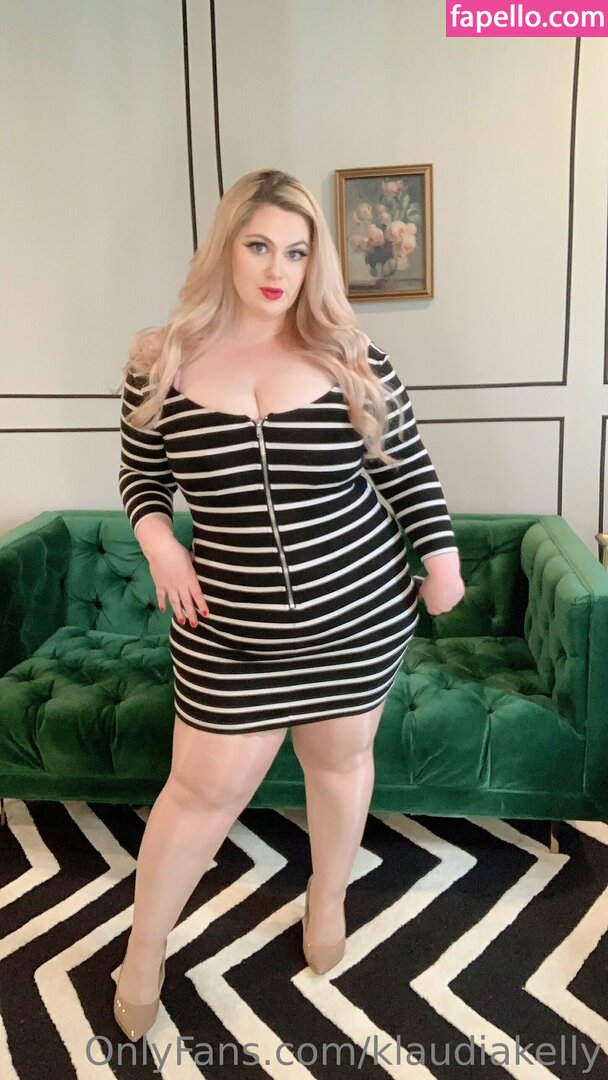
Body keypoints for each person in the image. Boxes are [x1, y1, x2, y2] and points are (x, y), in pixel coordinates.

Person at [114, 167, 465, 1041]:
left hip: (357, 613)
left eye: (299, 252)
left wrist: (442, 557)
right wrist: (162, 545)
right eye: (261, 246)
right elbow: (142, 477)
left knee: (339, 766)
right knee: (198, 794)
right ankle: (143, 951)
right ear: (226, 247)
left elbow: (408, 470)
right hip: (227, 628)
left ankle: (326, 895)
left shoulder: (351, 355)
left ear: (318, 261)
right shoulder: (160, 360)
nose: (279, 270)